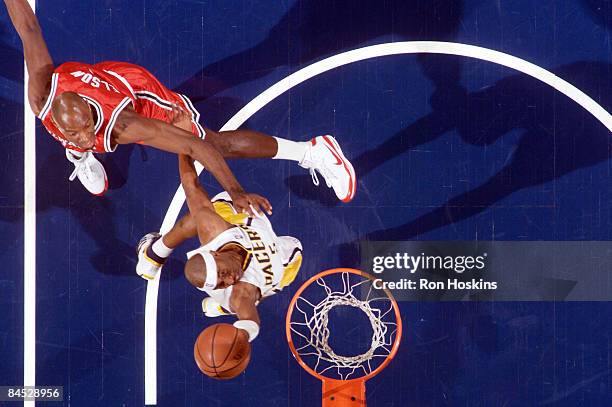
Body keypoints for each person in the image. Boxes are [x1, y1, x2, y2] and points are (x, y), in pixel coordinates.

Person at [4, 0, 356, 210]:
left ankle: (314, 151)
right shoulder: (42, 93)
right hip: (94, 83)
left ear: (92, 118)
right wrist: (81, 140)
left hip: (137, 95)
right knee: (78, 144)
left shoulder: (126, 125)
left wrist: (234, 191)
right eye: (75, 132)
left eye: (85, 131)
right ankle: (80, 158)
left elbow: (194, 146)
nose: (83, 134)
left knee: (216, 144)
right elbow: (28, 27)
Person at [138, 153, 304, 342]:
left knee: (199, 216)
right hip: (269, 267)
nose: (232, 279)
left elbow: (191, 185)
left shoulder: (214, 232)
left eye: (224, 273)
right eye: (223, 283)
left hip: (242, 227)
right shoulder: (241, 291)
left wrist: (183, 148)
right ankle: (226, 307)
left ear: (215, 253)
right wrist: (241, 338)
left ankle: (153, 255)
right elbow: (251, 323)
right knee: (294, 253)